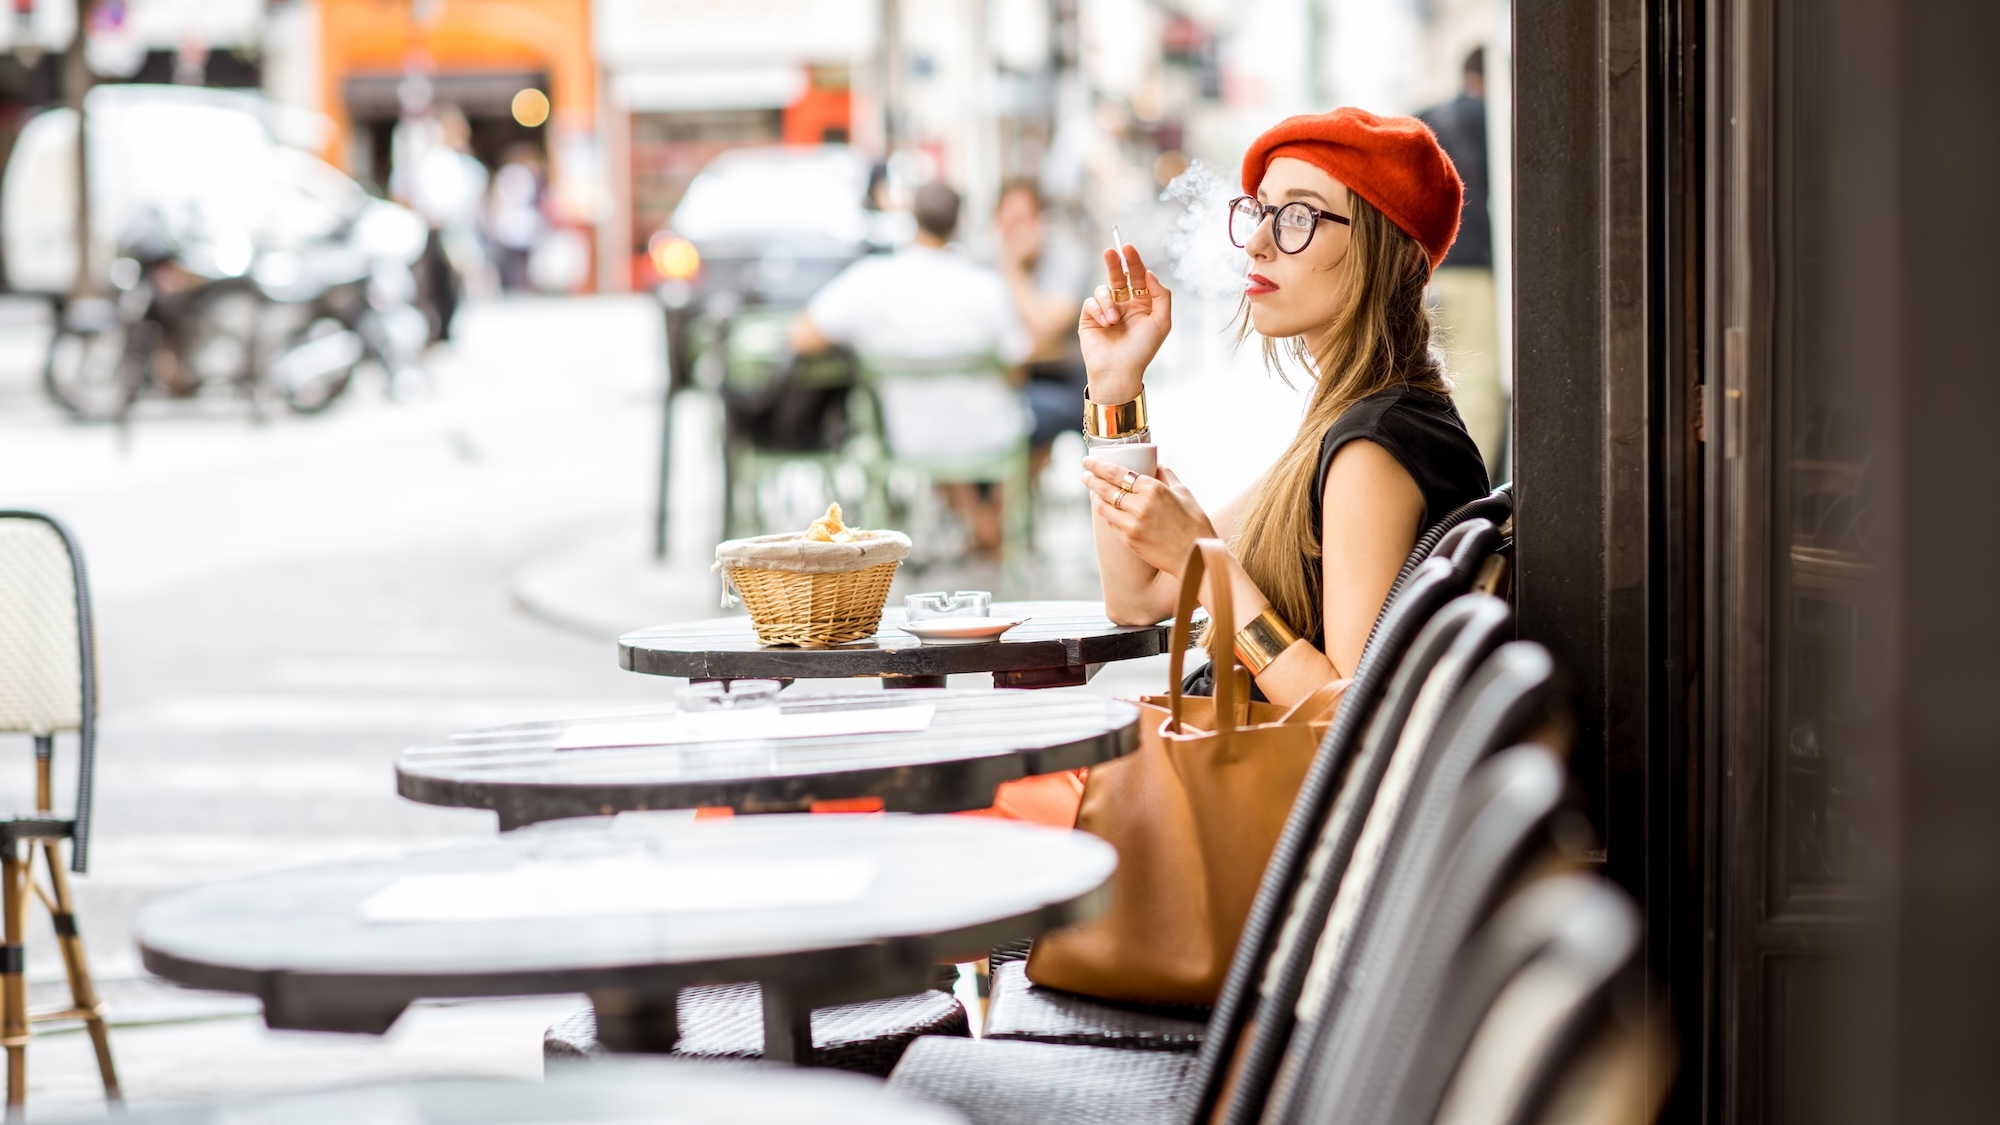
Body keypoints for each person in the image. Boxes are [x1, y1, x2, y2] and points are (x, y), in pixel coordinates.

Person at [1079, 108, 1491, 705]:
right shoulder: (1349, 423)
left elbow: (1343, 712)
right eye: (1261, 210)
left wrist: (1209, 566)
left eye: (1299, 216)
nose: (1258, 243)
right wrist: (1116, 386)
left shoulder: (1374, 447)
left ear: (1386, 252)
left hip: (1273, 791)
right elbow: (1136, 595)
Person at [791, 181, 1032, 553]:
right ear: (958, 222)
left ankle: (980, 523)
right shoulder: (986, 287)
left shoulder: (871, 280)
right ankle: (990, 522)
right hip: (990, 436)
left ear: (912, 218)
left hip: (907, 437)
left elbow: (802, 335)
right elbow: (1017, 370)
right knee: (1046, 411)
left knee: (934, 411)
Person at [1419, 49, 1506, 474]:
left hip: (1426, 272)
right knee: (1476, 385)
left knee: (1431, 381)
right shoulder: (1496, 117)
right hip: (1476, 273)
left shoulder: (1425, 118)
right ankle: (1467, 496)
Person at [993, 179, 1092, 476]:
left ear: (1040, 221)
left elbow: (1049, 325)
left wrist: (1013, 271)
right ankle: (996, 513)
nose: (1016, 230)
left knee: (1032, 422)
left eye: (1023, 219)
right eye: (1008, 221)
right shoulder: (982, 258)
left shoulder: (1067, 257)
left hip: (1063, 374)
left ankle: (1007, 508)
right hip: (1004, 377)